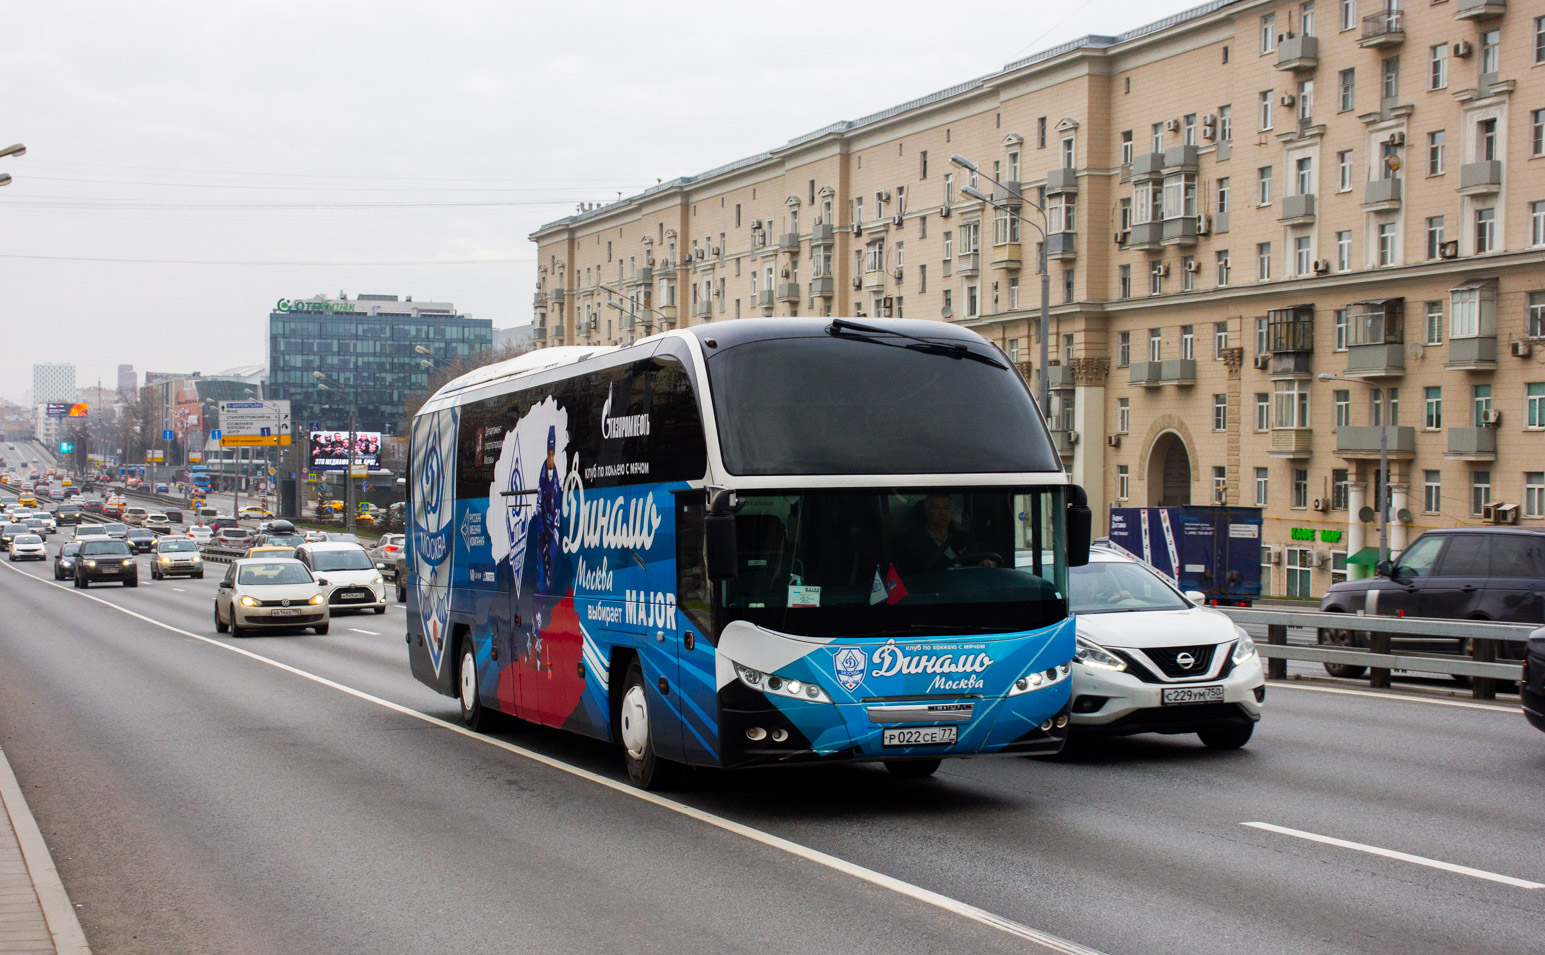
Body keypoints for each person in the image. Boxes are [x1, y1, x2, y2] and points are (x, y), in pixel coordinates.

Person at [890, 493, 997, 575]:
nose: (942, 512)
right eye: (936, 508)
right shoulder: (911, 542)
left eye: (946, 508)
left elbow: (975, 559)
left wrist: (984, 563)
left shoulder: (961, 537)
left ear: (951, 511)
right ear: (927, 511)